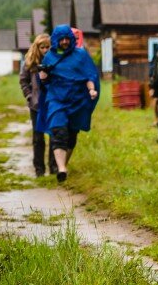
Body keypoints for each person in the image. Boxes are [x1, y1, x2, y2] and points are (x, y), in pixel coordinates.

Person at [36, 25, 100, 182]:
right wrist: (43, 76)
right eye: (61, 39)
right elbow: (44, 82)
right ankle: (61, 168)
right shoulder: (49, 57)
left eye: (67, 38)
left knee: (71, 135)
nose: (65, 42)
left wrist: (91, 90)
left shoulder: (81, 55)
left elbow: (89, 76)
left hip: (76, 101)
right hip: (56, 99)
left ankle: (63, 165)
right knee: (58, 132)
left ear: (72, 39)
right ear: (56, 40)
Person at [19, 33, 57, 177]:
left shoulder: (54, 62)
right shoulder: (30, 63)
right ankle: (39, 170)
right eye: (43, 47)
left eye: (48, 47)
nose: (46, 50)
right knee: (38, 138)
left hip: (52, 104)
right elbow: (23, 81)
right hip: (36, 105)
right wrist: (29, 96)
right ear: (37, 48)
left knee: (54, 136)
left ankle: (54, 168)